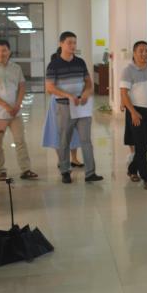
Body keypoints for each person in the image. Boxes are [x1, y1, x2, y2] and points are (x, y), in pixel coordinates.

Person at [45, 31, 102, 184]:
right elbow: (50, 87)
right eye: (69, 42)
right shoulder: (54, 65)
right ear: (61, 44)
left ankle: (90, 173)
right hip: (64, 107)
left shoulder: (80, 62)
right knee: (64, 140)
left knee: (86, 140)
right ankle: (65, 171)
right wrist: (68, 95)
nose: (72, 45)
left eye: (74, 42)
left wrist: (86, 93)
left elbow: (88, 82)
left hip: (82, 106)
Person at [0, 39, 37, 181]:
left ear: (9, 52)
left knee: (20, 141)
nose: (1, 53)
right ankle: (1, 171)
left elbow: (22, 87)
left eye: (4, 50)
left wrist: (17, 105)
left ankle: (25, 169)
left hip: (15, 114)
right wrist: (6, 106)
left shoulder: (16, 68)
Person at [120, 40, 147, 190]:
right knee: (140, 144)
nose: (144, 53)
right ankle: (146, 177)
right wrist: (133, 112)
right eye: (141, 51)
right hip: (136, 112)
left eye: (146, 51)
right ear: (134, 53)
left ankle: (132, 169)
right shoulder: (128, 70)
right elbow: (124, 94)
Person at [42, 47, 83, 166]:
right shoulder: (54, 67)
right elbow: (49, 90)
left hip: (73, 103)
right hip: (58, 103)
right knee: (58, 131)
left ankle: (74, 159)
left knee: (74, 130)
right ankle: (61, 160)